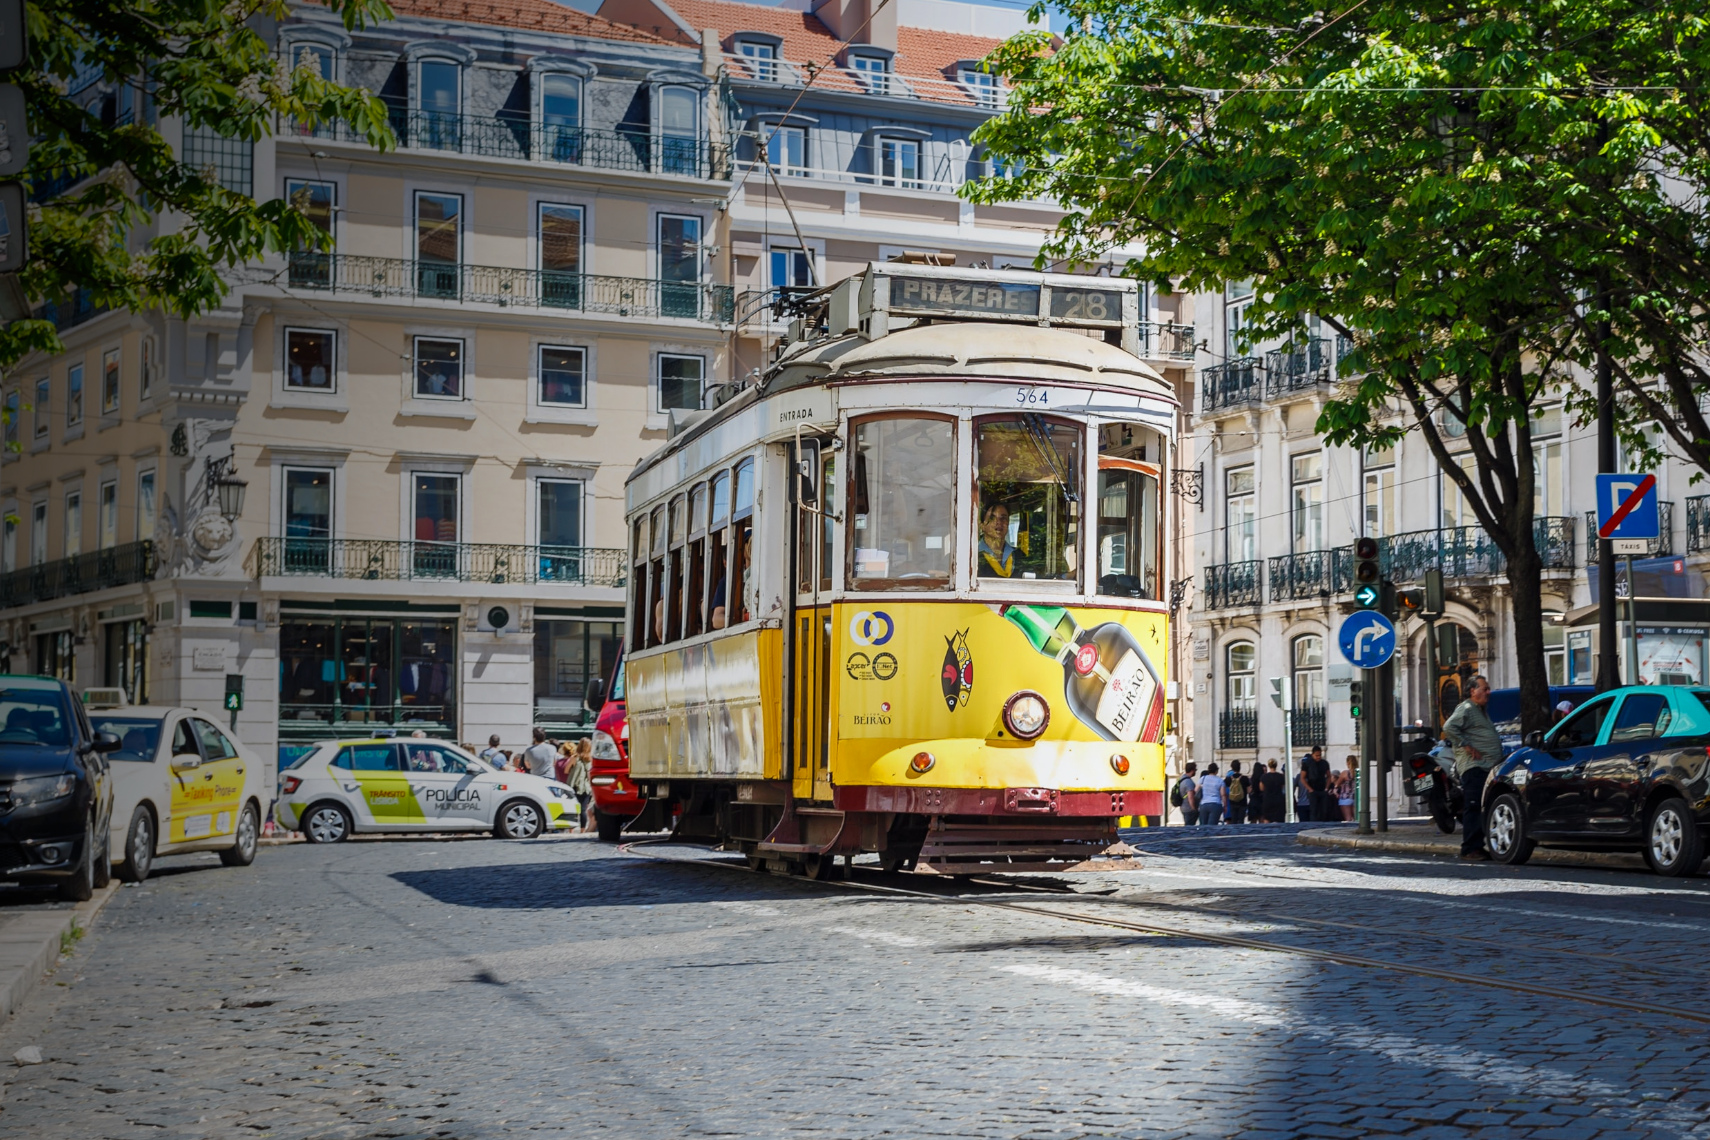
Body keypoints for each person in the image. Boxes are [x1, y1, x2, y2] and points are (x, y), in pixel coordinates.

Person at [1442, 673, 1503, 860]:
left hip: (1484, 767)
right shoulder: (1467, 708)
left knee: (1480, 807)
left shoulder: (1479, 709)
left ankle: (1477, 845)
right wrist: (1466, 745)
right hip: (1474, 767)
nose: (1488, 692)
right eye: (1484, 689)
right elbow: (1449, 727)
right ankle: (1469, 848)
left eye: (1488, 688)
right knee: (1474, 806)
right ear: (1472, 691)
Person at [976, 500, 1017, 578]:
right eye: (992, 518)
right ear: (982, 525)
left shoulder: (1020, 557)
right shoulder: (972, 556)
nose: (998, 522)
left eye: (1003, 518)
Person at [562, 738, 594, 831]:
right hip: (586, 787)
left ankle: (571, 830)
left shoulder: (574, 758)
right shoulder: (591, 759)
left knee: (573, 808)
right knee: (583, 809)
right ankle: (582, 830)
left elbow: (566, 770)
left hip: (574, 786)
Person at [1301, 745, 1332, 822]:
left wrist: (1327, 788)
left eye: (1320, 755)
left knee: (1324, 810)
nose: (1318, 757)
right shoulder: (1307, 763)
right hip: (1313, 789)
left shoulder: (1324, 763)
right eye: (1316, 755)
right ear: (1312, 755)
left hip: (1322, 789)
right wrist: (1310, 789)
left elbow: (1329, 776)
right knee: (1314, 811)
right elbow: (1302, 778)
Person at [1197, 761, 1227, 825]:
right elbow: (1223, 795)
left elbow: (1196, 790)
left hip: (1204, 804)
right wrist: (1225, 806)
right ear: (1216, 771)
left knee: (1203, 825)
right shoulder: (1220, 780)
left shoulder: (1203, 778)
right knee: (1212, 826)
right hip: (1215, 804)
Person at [1172, 761, 1200, 826]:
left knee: (1188, 824)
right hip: (1189, 808)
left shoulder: (1181, 779)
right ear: (1192, 770)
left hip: (1183, 807)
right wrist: (1193, 808)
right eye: (1195, 770)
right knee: (1190, 826)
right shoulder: (1188, 782)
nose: (1195, 772)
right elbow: (1190, 796)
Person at [1224, 760, 1248, 825]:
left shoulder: (1228, 779)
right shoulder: (1245, 778)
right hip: (1242, 802)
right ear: (1240, 767)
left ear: (1232, 768)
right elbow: (1249, 790)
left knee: (1233, 822)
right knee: (1241, 821)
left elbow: (1224, 789)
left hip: (1232, 802)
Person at [1338, 756, 1357, 821]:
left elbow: (1337, 784)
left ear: (1347, 763)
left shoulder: (1345, 773)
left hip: (1345, 797)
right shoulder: (1358, 773)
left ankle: (1350, 830)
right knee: (1356, 819)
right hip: (1355, 798)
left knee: (1348, 819)